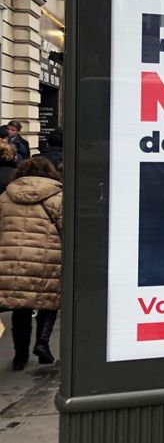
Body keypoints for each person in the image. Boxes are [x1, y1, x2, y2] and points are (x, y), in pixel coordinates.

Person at [0, 156, 63, 370]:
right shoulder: (58, 197)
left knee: (21, 307)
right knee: (50, 301)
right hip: (49, 256)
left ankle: (20, 355)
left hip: (12, 258)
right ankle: (42, 342)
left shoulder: (6, 197)